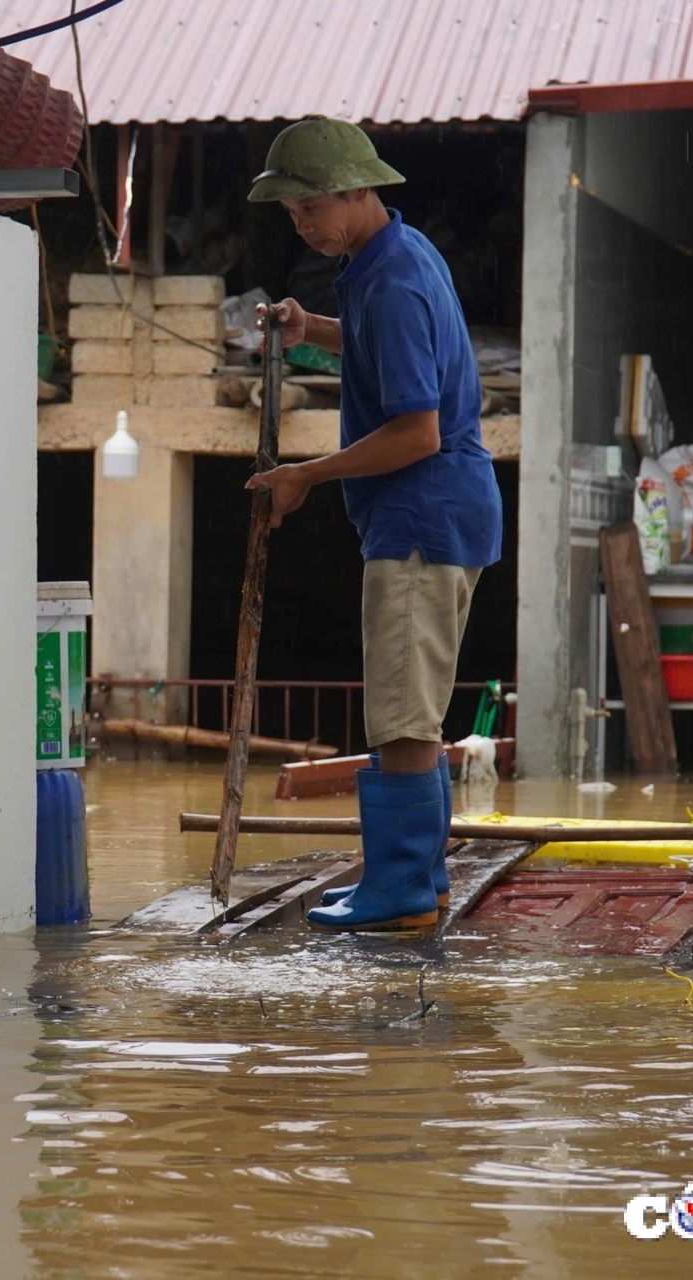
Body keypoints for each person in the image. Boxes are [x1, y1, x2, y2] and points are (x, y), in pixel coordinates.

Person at [244, 117, 502, 931]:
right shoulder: (394, 254)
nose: (302, 226)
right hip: (440, 510)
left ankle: (399, 892)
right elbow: (380, 347)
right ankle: (416, 881)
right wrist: (307, 327)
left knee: (401, 715)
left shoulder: (388, 280)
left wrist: (306, 476)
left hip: (420, 517)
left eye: (310, 210)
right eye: (291, 216)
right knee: (410, 710)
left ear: (359, 193)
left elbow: (416, 429)